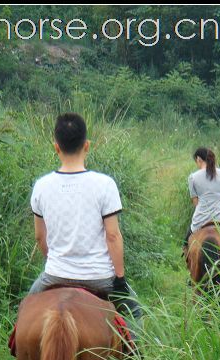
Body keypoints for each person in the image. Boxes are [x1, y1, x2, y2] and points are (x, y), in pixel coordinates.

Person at [28, 112, 142, 343]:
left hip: (55, 275)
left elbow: (41, 237)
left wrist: (59, 261)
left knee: (24, 314)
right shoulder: (105, 184)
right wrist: (119, 279)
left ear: (56, 147)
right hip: (99, 277)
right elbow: (112, 235)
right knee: (135, 316)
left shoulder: (41, 186)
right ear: (87, 145)